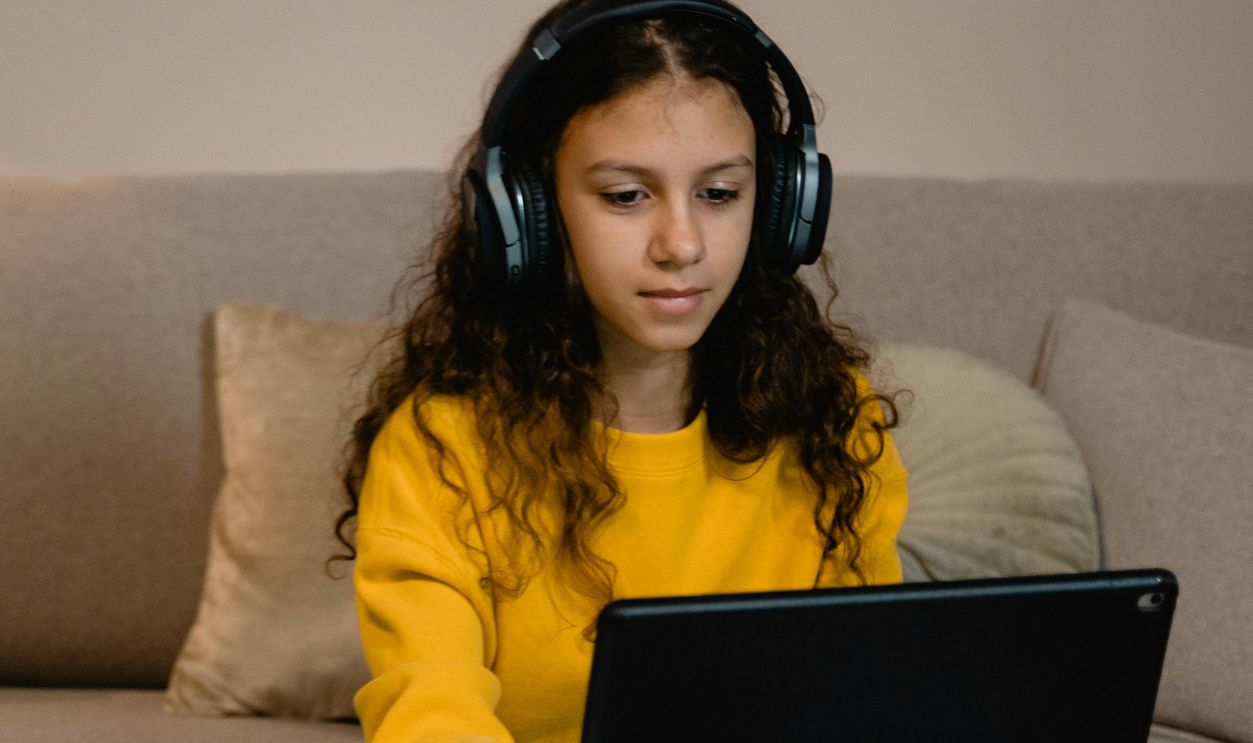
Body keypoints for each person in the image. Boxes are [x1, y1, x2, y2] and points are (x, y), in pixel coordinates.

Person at [336, 1, 908, 740]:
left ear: (777, 206)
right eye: (626, 195)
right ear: (527, 215)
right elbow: (430, 706)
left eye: (719, 193)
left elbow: (863, 696)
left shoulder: (836, 423)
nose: (681, 244)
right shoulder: (442, 448)